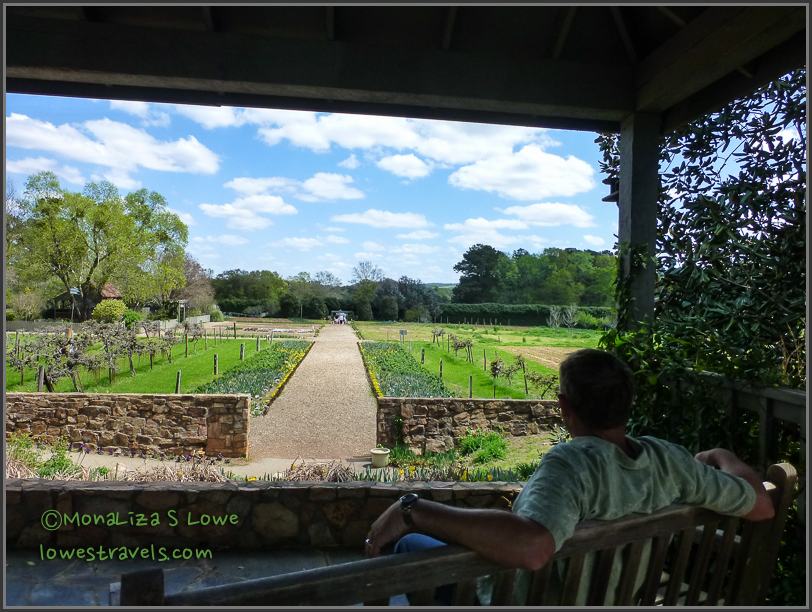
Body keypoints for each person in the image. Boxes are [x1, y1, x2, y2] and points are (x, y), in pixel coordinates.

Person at [365, 348, 775, 605]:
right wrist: (721, 455)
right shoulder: (669, 461)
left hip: (534, 598)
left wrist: (412, 510)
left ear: (564, 405)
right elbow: (760, 504)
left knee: (410, 546)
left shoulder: (571, 465)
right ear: (628, 404)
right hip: (622, 595)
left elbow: (533, 548)